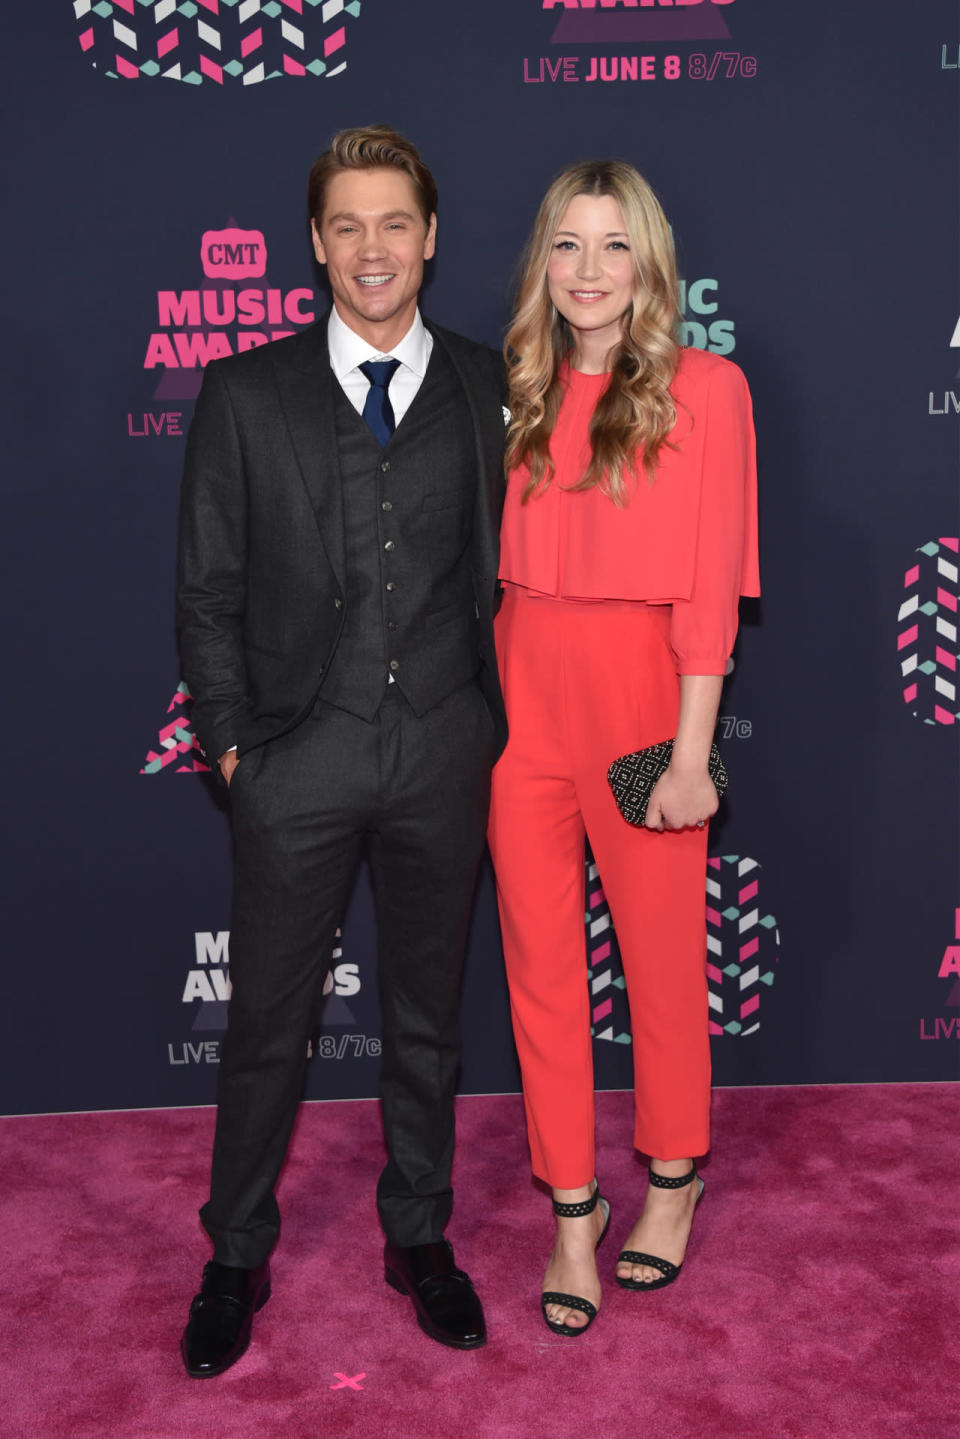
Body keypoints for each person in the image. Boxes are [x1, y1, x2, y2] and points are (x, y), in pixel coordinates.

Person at [176, 124, 507, 1375]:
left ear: (429, 237)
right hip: (294, 759)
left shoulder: (485, 384)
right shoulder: (244, 393)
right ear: (315, 243)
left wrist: (489, 725)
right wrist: (231, 751)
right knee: (266, 1017)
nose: (374, 248)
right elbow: (206, 593)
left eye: (396, 223)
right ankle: (235, 1250)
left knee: (426, 1017)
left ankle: (419, 1235)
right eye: (348, 225)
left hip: (443, 748)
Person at [487, 160, 759, 1336]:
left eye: (613, 245)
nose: (588, 271)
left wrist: (691, 755)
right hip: (521, 722)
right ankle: (571, 1210)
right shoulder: (518, 389)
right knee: (541, 975)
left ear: (649, 264)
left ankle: (675, 1180)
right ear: (540, 263)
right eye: (566, 245)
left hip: (647, 717)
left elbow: (710, 593)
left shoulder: (709, 389)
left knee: (658, 968)